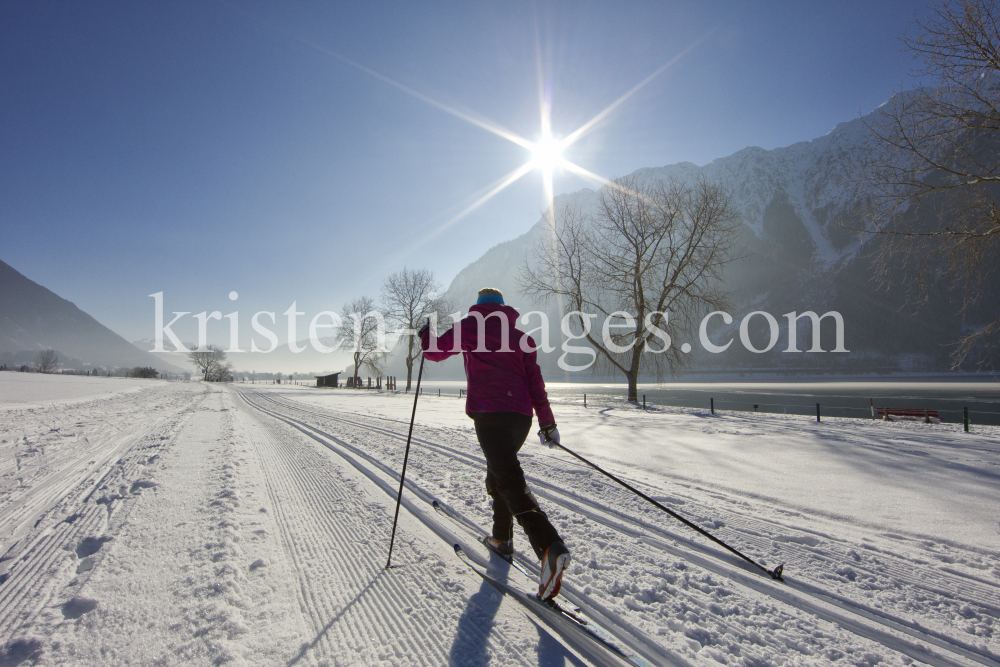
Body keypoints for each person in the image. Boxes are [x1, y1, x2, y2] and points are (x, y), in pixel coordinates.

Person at [419, 287, 570, 601]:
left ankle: (548, 546)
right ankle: (502, 539)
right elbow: (535, 382)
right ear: (504, 308)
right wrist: (547, 421)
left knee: (509, 480)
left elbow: (434, 351)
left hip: (490, 415)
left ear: (479, 306)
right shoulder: (521, 337)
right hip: (520, 418)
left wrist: (425, 333)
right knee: (500, 475)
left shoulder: (469, 327)